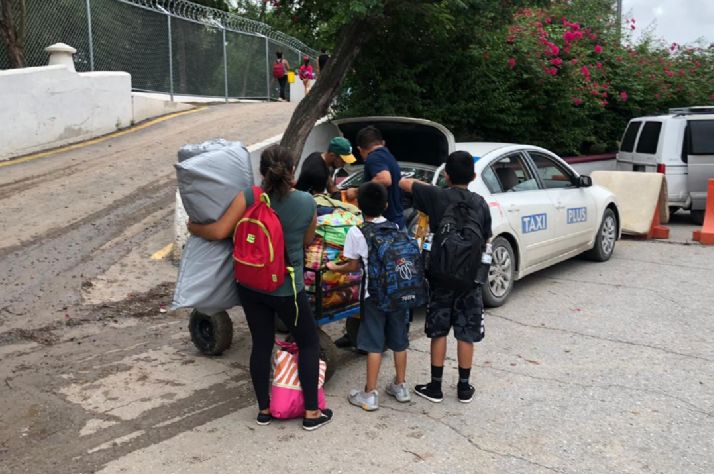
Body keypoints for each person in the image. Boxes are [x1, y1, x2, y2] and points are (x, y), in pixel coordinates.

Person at [187, 145, 333, 431]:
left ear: (262, 172)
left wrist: (194, 228)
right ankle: (312, 413)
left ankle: (264, 410)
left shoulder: (250, 196)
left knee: (261, 344)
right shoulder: (306, 202)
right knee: (308, 343)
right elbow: (307, 240)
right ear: (292, 170)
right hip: (286, 288)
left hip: (250, 284)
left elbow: (218, 232)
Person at [399, 151, 492, 404]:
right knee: (466, 333)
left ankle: (435, 387)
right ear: (473, 176)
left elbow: (403, 183)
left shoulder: (436, 196)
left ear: (447, 175)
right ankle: (463, 388)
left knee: (439, 330)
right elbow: (486, 240)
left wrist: (429, 186)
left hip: (441, 276)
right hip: (470, 280)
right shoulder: (481, 203)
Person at [327, 182, 412, 411]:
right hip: (398, 294)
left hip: (372, 296)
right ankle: (401, 386)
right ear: (385, 205)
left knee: (375, 345)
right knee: (399, 341)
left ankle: (370, 393)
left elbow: (353, 266)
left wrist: (334, 269)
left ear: (358, 205)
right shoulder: (395, 227)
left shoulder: (357, 232)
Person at [345, 126, 406, 230]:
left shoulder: (374, 157)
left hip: (385, 226)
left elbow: (384, 179)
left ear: (359, 149)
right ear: (382, 142)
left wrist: (356, 191)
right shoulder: (387, 156)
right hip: (396, 222)